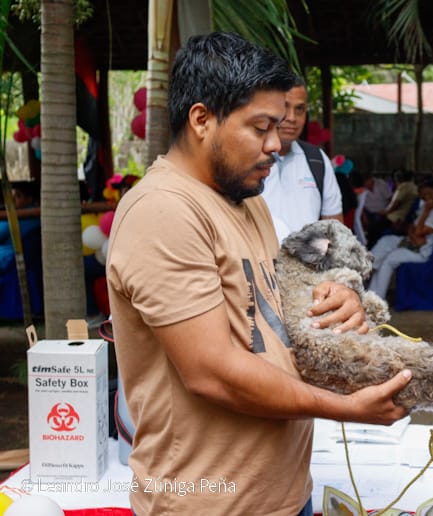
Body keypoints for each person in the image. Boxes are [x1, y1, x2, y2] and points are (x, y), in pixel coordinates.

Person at [106, 32, 411, 516]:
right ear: (202, 119)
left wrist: (336, 297)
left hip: (283, 492)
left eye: (281, 124)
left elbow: (273, 311)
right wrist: (347, 409)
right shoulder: (163, 211)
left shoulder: (248, 203)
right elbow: (213, 373)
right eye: (261, 127)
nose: (276, 144)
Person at [260, 76, 343, 240]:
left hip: (307, 265)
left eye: (299, 109)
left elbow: (335, 230)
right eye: (284, 106)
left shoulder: (317, 160)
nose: (291, 117)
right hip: (259, 264)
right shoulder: (247, 160)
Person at [368, 176, 433, 300]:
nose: (426, 198)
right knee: (386, 241)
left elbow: (417, 230)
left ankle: (377, 298)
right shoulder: (425, 207)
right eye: (424, 195)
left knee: (389, 259)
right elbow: (412, 229)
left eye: (430, 194)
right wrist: (415, 235)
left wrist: (425, 213)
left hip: (423, 252)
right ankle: (369, 269)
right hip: (414, 243)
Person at [378, 168, 418, 234]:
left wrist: (385, 212)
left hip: (397, 217)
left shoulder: (404, 187)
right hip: (406, 215)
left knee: (375, 226)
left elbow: (396, 204)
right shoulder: (413, 186)